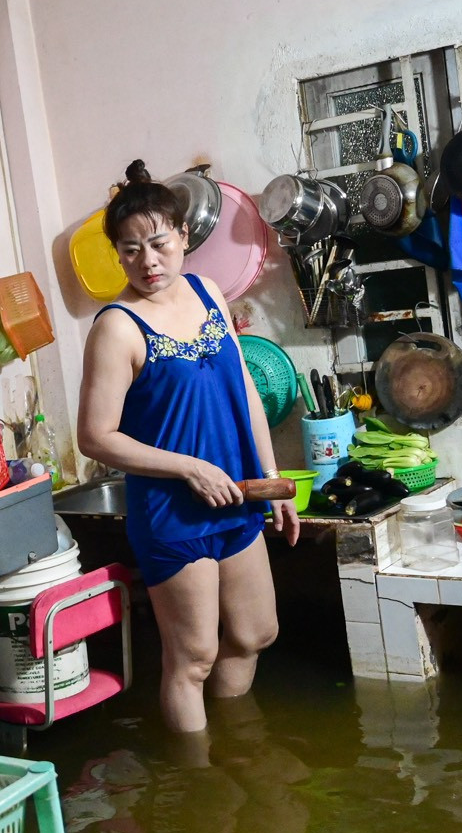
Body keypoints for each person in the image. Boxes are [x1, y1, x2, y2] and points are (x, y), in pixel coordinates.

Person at [76, 173, 299, 734]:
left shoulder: (207, 293)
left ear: (182, 234)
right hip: (173, 512)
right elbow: (95, 437)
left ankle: (235, 751)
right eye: (131, 249)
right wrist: (189, 468)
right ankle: (200, 784)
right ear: (119, 256)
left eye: (158, 243)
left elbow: (244, 388)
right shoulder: (117, 328)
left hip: (237, 496)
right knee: (194, 656)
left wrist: (269, 478)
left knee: (255, 633)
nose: (148, 261)